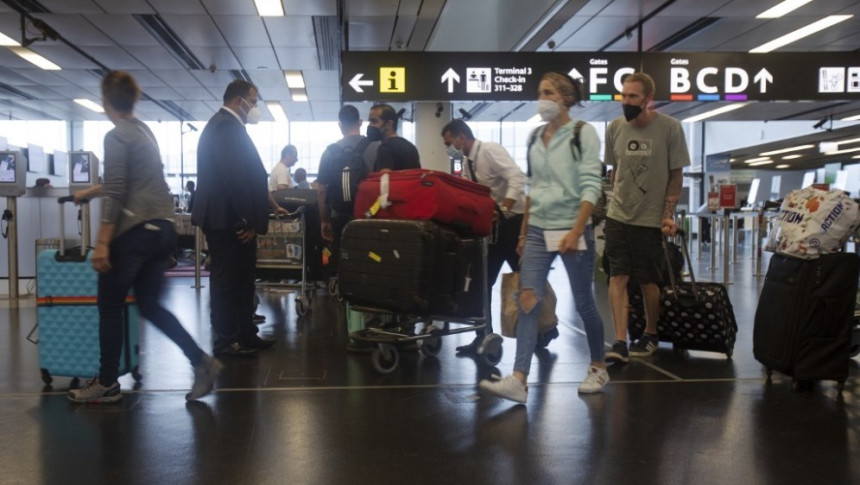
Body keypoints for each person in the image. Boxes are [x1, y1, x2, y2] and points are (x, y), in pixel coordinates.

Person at [67, 71, 222, 404]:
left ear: (106, 101)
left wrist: (104, 241)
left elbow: (119, 190)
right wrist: (91, 192)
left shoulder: (116, 135)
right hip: (162, 230)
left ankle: (107, 382)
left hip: (135, 233)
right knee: (150, 305)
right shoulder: (143, 131)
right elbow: (128, 180)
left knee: (109, 306)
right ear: (133, 100)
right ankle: (201, 361)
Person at [479, 72, 608, 403]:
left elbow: (592, 185)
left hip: (572, 228)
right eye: (540, 92)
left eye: (548, 92)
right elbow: (534, 187)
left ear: (565, 98)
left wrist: (578, 229)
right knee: (527, 299)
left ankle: (597, 366)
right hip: (537, 230)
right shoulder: (535, 136)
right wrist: (523, 232)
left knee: (583, 303)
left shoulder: (583, 133)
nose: (541, 98)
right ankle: (519, 379)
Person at [192, 79, 286, 357]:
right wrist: (246, 219)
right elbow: (232, 177)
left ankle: (245, 333)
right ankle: (226, 340)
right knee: (227, 281)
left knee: (243, 278)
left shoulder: (231, 127)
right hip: (227, 220)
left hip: (231, 217)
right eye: (253, 101)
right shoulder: (224, 127)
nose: (255, 107)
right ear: (238, 100)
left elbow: (247, 175)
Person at [602, 72, 690, 364]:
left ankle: (651, 333)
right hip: (618, 216)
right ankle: (619, 340)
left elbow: (676, 175)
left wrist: (667, 214)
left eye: (632, 97)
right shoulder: (614, 128)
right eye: (623, 95)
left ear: (648, 99)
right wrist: (615, 200)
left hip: (650, 219)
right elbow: (615, 172)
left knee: (647, 280)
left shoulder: (670, 129)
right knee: (617, 276)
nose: (625, 101)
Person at [440, 119, 527, 354]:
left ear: (461, 137)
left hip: (513, 223)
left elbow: (518, 178)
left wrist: (505, 208)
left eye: (450, 143)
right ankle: (482, 335)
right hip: (494, 228)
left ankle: (544, 329)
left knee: (527, 281)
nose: (450, 148)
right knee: (483, 282)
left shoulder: (489, 150)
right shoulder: (468, 162)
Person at [317, 105, 377, 273]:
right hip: (369, 217)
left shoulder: (329, 152)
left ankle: (343, 295)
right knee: (370, 258)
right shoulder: (376, 147)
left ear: (339, 125)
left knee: (343, 258)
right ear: (360, 122)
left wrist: (324, 220)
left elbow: (322, 190)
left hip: (339, 215)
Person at [367, 103, 420, 172]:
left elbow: (385, 180)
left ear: (389, 124)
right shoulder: (411, 147)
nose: (370, 125)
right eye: (369, 121)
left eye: (374, 121)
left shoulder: (385, 148)